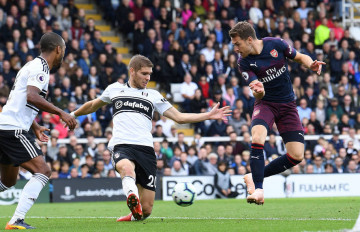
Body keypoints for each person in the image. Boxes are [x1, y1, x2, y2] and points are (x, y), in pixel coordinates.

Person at [70, 55, 231, 221]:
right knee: (126, 169)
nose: (148, 78)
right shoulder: (114, 89)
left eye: (149, 74)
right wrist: (72, 114)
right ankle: (131, 195)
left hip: (146, 149)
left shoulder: (153, 95)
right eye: (144, 73)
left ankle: (132, 213)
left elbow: (179, 117)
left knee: (146, 211)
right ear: (132, 71)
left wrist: (209, 115)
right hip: (121, 144)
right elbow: (92, 105)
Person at [229, 21, 325, 205]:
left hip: (288, 104)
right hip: (266, 104)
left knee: (296, 156)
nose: (235, 49)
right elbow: (259, 91)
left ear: (249, 40)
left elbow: (299, 56)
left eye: (237, 44)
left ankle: (253, 176)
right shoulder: (244, 62)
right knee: (257, 137)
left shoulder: (276, 44)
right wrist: (259, 90)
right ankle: (258, 189)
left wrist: (310, 64)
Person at [0, 32, 77, 229]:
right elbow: (31, 97)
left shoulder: (31, 65)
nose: (63, 54)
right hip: (12, 129)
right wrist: (62, 113)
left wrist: (34, 126)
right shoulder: (40, 68)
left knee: (8, 181)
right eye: (64, 50)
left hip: (7, 126)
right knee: (43, 170)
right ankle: (16, 220)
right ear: (58, 49)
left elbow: (18, 100)